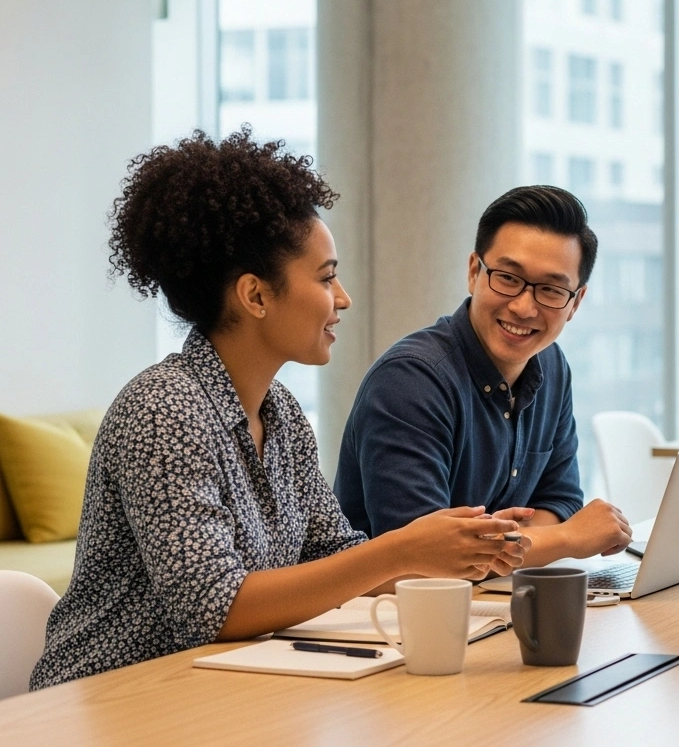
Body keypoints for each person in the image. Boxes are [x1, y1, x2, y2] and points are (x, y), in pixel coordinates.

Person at [30, 128, 526, 690]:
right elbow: (214, 608)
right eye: (327, 276)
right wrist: (399, 551)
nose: (343, 299)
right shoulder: (162, 409)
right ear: (256, 296)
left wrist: (456, 552)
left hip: (218, 690)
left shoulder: (282, 414)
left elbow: (335, 555)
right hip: (109, 698)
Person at [334, 186, 631, 567]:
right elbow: (423, 557)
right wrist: (566, 538)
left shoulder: (551, 365)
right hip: (392, 617)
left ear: (575, 303)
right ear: (474, 272)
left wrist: (507, 542)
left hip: (493, 604)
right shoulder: (410, 381)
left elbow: (559, 498)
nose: (524, 307)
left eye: (551, 290)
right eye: (508, 278)